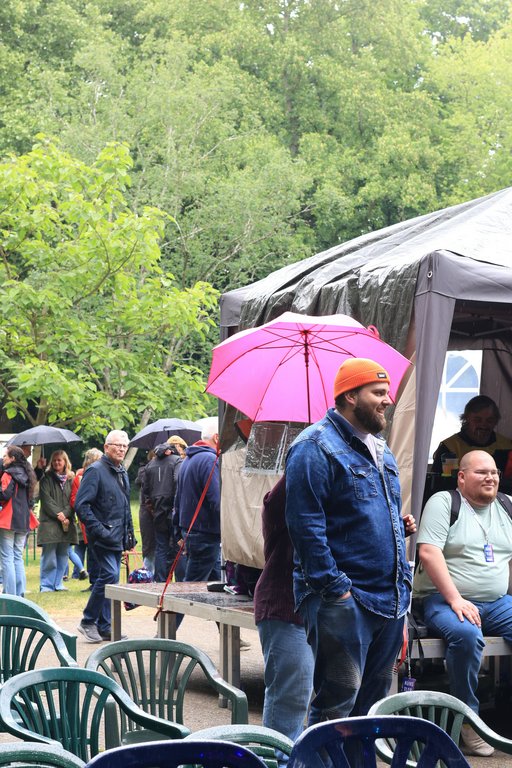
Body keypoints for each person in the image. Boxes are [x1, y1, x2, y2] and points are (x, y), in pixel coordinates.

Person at [285, 357, 414, 724]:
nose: (388, 400)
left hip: (390, 599)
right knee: (336, 707)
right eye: (378, 392)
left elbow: (359, 510)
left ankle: (360, 756)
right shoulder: (313, 446)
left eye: (387, 392)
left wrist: (395, 526)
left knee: (371, 709)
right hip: (345, 600)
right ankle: (318, 756)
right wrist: (336, 590)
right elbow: (304, 525)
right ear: (350, 396)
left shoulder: (381, 448)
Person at [414, 449, 512, 756]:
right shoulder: (444, 502)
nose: (490, 477)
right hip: (443, 599)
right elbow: (428, 552)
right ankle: (468, 720)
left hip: (497, 602)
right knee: (467, 635)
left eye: (494, 472)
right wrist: (455, 599)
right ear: (462, 477)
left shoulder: (508, 506)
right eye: (482, 472)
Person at [254, 475, 314, 742]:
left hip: (322, 612)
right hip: (285, 607)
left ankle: (299, 757)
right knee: (291, 699)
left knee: (314, 700)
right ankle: (279, 758)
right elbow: (274, 502)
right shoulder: (283, 500)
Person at [75, 430, 135, 643]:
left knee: (112, 580)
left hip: (117, 535)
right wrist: (100, 530)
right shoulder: (95, 470)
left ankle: (105, 626)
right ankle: (88, 620)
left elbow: (125, 506)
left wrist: (129, 534)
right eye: (117, 445)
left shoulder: (121, 471)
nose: (121, 449)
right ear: (106, 447)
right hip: (102, 536)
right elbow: (81, 505)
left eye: (124, 446)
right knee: (109, 575)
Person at [174, 417, 221, 582]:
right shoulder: (209, 460)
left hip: (192, 531)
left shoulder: (188, 459)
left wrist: (177, 529)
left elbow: (178, 498)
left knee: (215, 584)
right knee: (193, 586)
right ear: (217, 438)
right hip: (205, 534)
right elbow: (217, 501)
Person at [432, 395, 512, 476]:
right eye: (477, 420)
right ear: (467, 419)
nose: (483, 425)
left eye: (489, 420)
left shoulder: (507, 446)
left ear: (495, 421)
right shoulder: (449, 447)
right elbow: (435, 481)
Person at [142, 442, 183, 582]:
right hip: (174, 511)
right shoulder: (177, 461)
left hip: (158, 512)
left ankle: (160, 581)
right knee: (179, 547)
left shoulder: (150, 465)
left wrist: (153, 508)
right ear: (170, 451)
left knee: (161, 548)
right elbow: (178, 480)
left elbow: (145, 491)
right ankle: (181, 581)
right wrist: (177, 503)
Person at [37, 450, 77, 592]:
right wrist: (58, 514)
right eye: (54, 460)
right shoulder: (46, 478)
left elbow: (74, 499)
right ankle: (46, 585)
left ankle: (58, 584)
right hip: (50, 523)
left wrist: (65, 514)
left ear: (65, 462)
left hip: (66, 523)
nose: (56, 462)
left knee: (63, 555)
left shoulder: (72, 479)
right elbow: (46, 499)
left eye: (59, 460)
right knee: (49, 556)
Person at [0, 445, 37, 595]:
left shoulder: (8, 474)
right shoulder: (29, 474)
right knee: (17, 557)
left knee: (7, 557)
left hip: (9, 520)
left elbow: (4, 495)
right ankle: (20, 594)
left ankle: (10, 594)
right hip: (23, 520)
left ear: (12, 458)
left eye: (5, 456)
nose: (3, 458)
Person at [70, 447, 103, 589]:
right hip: (86, 519)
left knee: (94, 550)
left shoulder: (104, 473)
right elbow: (75, 499)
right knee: (88, 548)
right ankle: (91, 579)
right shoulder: (80, 477)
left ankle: (96, 580)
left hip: (99, 517)